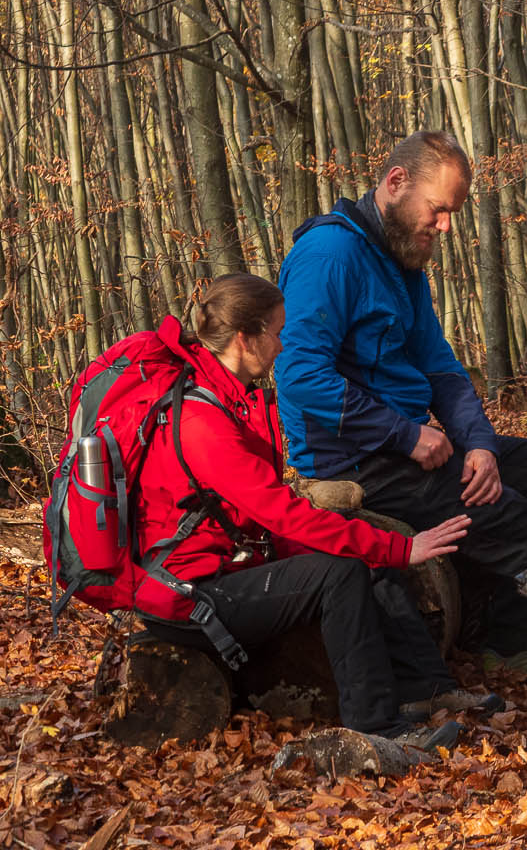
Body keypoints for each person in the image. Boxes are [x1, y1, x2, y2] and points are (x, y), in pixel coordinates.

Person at [135, 272, 493, 742]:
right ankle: (377, 728)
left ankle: (426, 689)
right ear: (246, 338)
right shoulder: (203, 421)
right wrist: (401, 549)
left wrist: (381, 550)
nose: (283, 346)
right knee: (341, 573)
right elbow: (280, 512)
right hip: (189, 594)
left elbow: (258, 516)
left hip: (224, 566)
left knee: (366, 559)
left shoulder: (224, 398)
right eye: (277, 333)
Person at [274, 130, 527, 666]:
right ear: (396, 182)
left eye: (451, 213)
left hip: (409, 445)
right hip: (355, 459)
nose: (445, 226)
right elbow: (298, 374)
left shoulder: (402, 261)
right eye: (439, 209)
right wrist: (406, 434)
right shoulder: (329, 254)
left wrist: (479, 444)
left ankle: (510, 644)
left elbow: (440, 368)